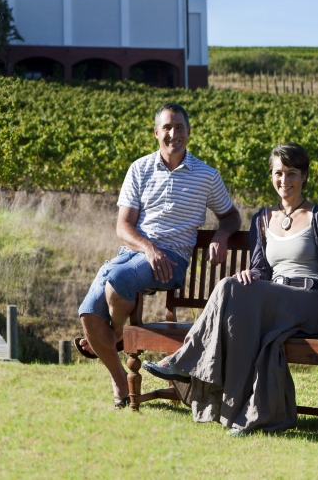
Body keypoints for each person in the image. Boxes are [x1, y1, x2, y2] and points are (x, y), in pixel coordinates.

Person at [141, 143, 318, 434]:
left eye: (292, 173)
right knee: (231, 284)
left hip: (310, 302)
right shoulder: (262, 220)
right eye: (279, 173)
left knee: (239, 296)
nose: (285, 181)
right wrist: (250, 275)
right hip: (271, 300)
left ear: (304, 176)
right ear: (272, 176)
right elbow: (261, 270)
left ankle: (183, 361)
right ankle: (238, 411)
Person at [76, 103, 241, 408]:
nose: (173, 133)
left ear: (189, 133)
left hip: (172, 262)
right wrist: (148, 248)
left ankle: (117, 335)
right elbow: (123, 227)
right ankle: (120, 385)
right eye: (167, 127)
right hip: (135, 254)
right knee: (87, 312)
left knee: (116, 282)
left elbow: (231, 215)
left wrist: (221, 233)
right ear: (156, 133)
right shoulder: (139, 169)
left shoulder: (206, 176)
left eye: (179, 127)